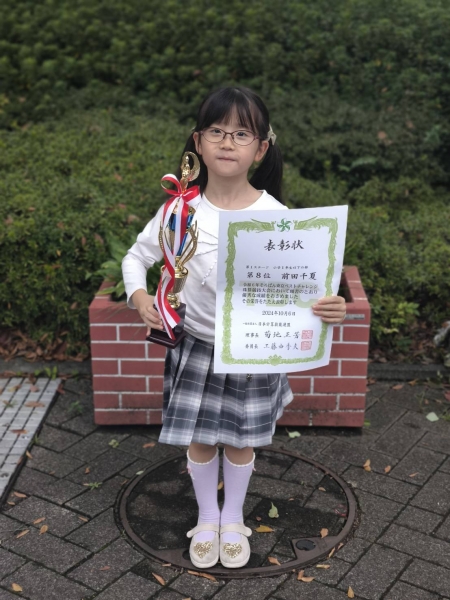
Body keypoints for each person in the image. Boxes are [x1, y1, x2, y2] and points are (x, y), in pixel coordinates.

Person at [122, 86, 346, 569]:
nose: (228, 142)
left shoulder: (279, 220)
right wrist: (140, 297)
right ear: (198, 142)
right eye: (217, 131)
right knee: (201, 438)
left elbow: (304, 290)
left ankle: (234, 517)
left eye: (242, 134)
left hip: (253, 351)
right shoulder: (179, 210)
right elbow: (136, 258)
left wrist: (330, 308)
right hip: (196, 347)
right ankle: (208, 518)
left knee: (242, 441)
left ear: (260, 149)